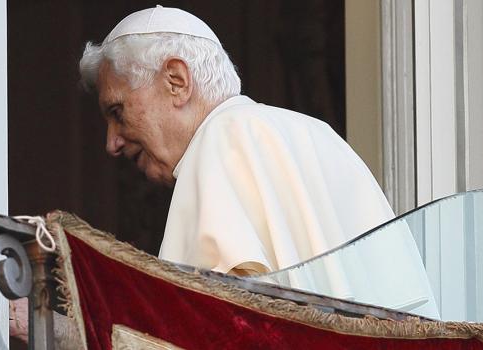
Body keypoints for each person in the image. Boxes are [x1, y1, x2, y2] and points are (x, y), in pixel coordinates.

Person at [79, 6, 439, 318]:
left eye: (117, 111)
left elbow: (209, 323)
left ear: (177, 81)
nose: (112, 143)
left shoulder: (221, 138)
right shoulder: (318, 135)